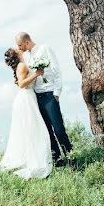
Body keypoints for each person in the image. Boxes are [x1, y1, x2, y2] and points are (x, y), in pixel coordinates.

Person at [0, 47, 53, 179]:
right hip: (25, 99)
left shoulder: (23, 64)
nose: (19, 48)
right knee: (33, 129)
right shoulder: (21, 66)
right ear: (17, 54)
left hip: (29, 97)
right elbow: (21, 84)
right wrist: (36, 74)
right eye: (17, 48)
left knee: (30, 129)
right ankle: (30, 160)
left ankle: (29, 157)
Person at [16, 31, 73, 164]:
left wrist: (57, 92)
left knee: (58, 129)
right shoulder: (28, 58)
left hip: (49, 95)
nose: (19, 48)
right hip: (37, 97)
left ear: (26, 42)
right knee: (47, 131)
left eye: (20, 45)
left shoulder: (44, 49)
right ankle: (57, 160)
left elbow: (56, 70)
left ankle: (71, 158)